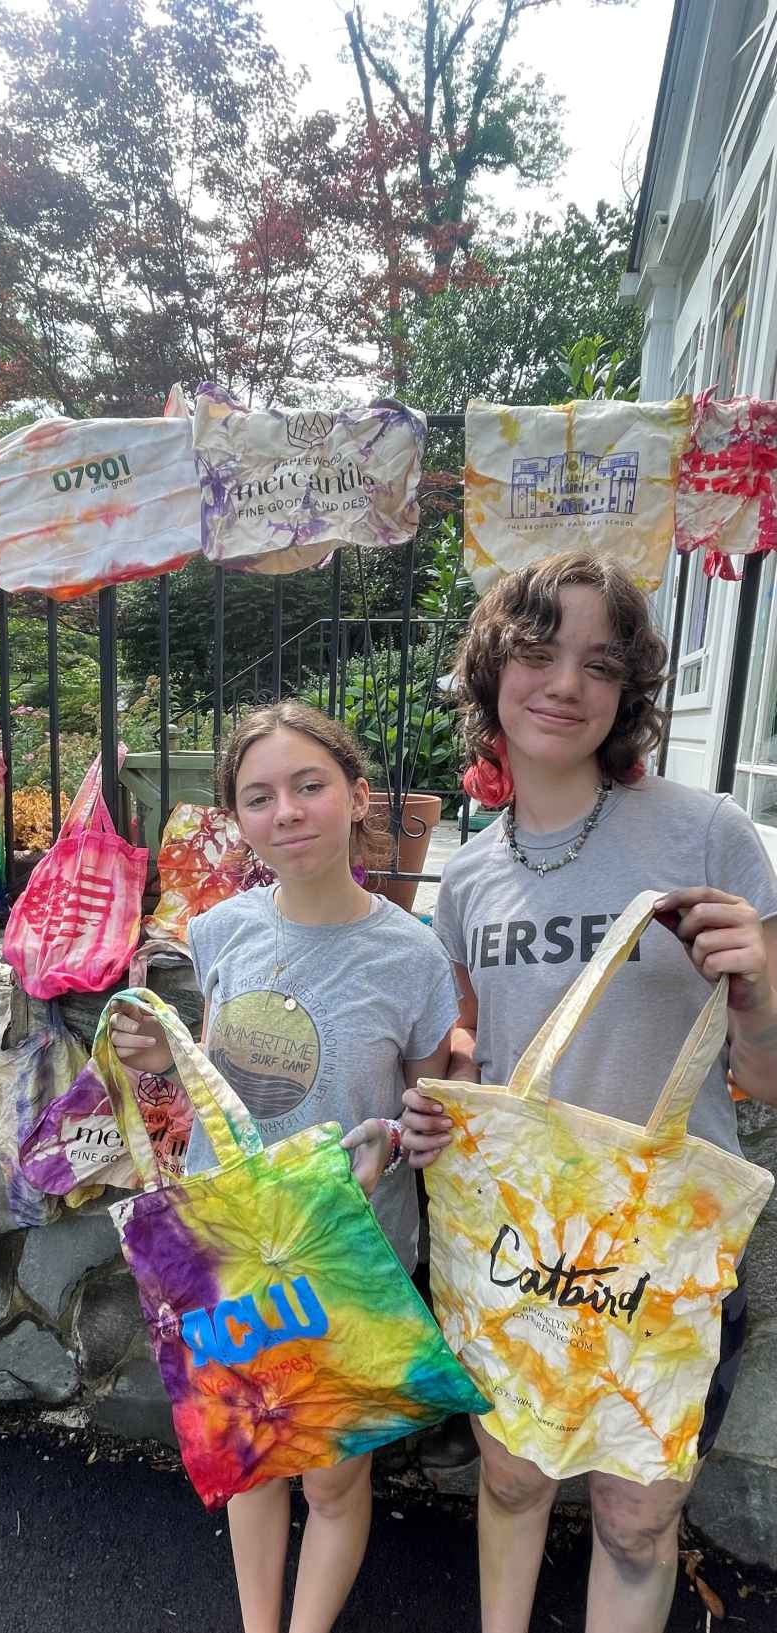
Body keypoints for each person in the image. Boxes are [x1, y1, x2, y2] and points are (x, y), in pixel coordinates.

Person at [403, 551, 777, 1633]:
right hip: (513, 1239)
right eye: (536, 650)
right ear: (491, 669)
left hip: (659, 1243)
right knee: (513, 1480)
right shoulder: (468, 873)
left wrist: (749, 992)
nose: (564, 682)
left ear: (626, 691)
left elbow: (760, 1072)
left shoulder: (704, 832)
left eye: (598, 662)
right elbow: (466, 1046)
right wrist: (442, 1095)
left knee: (631, 1519)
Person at [111, 700, 459, 1633]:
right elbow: (220, 1076)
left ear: (356, 795)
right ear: (237, 815)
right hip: (232, 1243)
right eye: (260, 796)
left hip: (351, 1251)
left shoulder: (414, 953)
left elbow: (431, 1109)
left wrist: (411, 1130)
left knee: (334, 1477)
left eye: (309, 785)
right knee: (253, 1460)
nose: (288, 812)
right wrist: (166, 1060)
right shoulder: (217, 932)